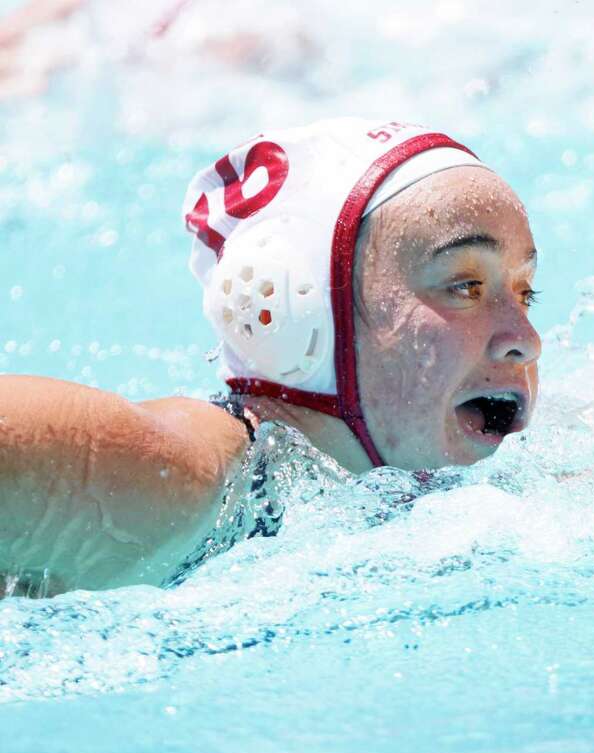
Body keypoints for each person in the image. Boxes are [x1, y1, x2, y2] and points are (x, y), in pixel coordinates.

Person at [0, 118, 541, 597]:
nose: (525, 338)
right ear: (292, 311)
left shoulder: (459, 492)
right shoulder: (181, 481)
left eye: (525, 292)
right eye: (465, 285)